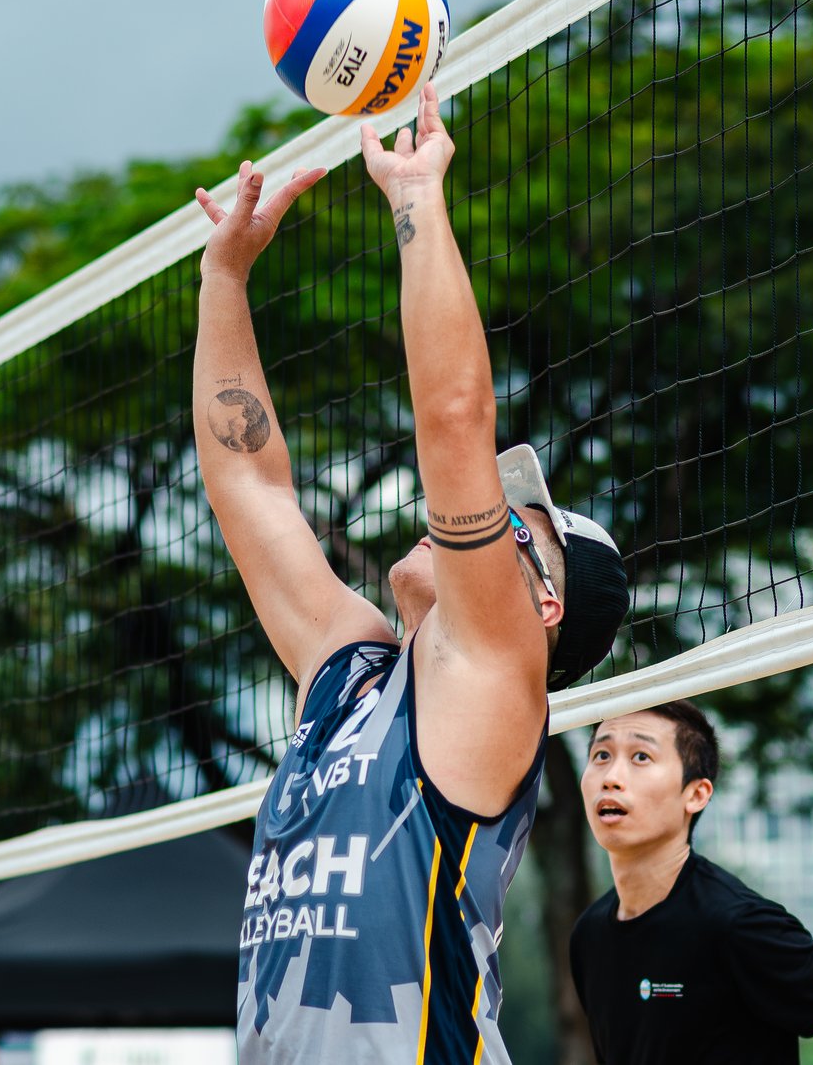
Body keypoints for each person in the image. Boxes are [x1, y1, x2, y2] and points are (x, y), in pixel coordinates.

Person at [193, 83, 630, 1063]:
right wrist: (224, 279)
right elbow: (247, 486)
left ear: (542, 601)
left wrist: (415, 195)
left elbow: (452, 421)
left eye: (522, 521)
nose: (482, 508)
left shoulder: (489, 678)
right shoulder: (349, 671)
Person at [571, 700, 813, 1064]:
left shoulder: (738, 924)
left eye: (641, 757)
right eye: (601, 755)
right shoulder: (590, 934)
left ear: (696, 794)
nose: (611, 776)